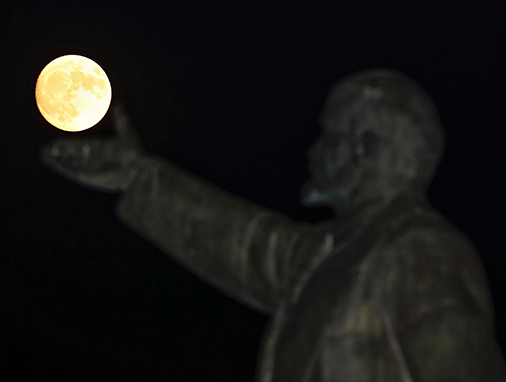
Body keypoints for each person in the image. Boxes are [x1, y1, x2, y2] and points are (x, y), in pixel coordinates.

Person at [41, 69, 506, 381]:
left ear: (363, 149)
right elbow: (247, 243)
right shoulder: (337, 252)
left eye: (327, 135)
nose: (312, 151)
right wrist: (136, 176)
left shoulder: (420, 253)